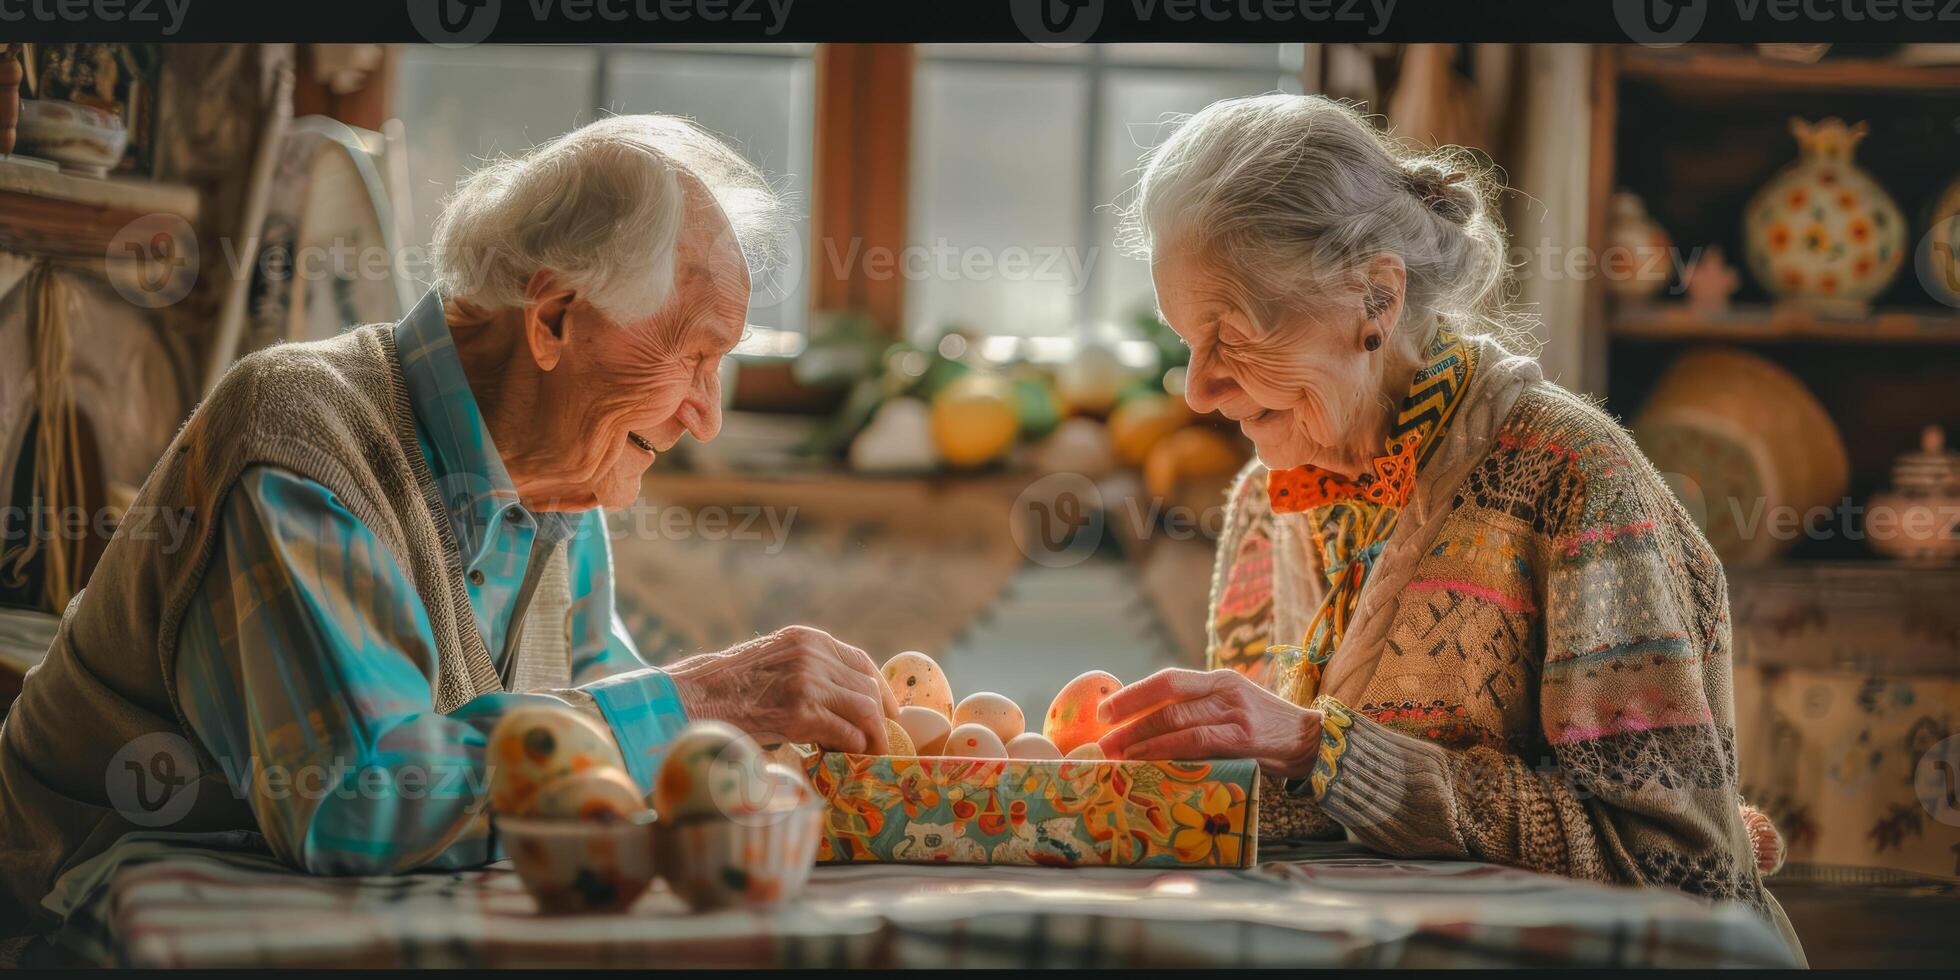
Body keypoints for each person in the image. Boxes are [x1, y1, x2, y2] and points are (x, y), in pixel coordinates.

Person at [0, 115, 895, 932]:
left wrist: (776, 760)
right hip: (86, 907)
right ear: (553, 319)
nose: (708, 417)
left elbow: (605, 720)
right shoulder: (298, 436)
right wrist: (710, 698)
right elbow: (353, 802)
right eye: (694, 356)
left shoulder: (557, 481)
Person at [1096, 94, 1801, 956]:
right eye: (1186, 345)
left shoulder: (1572, 478)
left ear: (1376, 297)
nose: (1198, 392)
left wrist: (1323, 746)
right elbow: (1270, 818)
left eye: (1230, 337)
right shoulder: (1264, 501)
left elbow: (1684, 871)